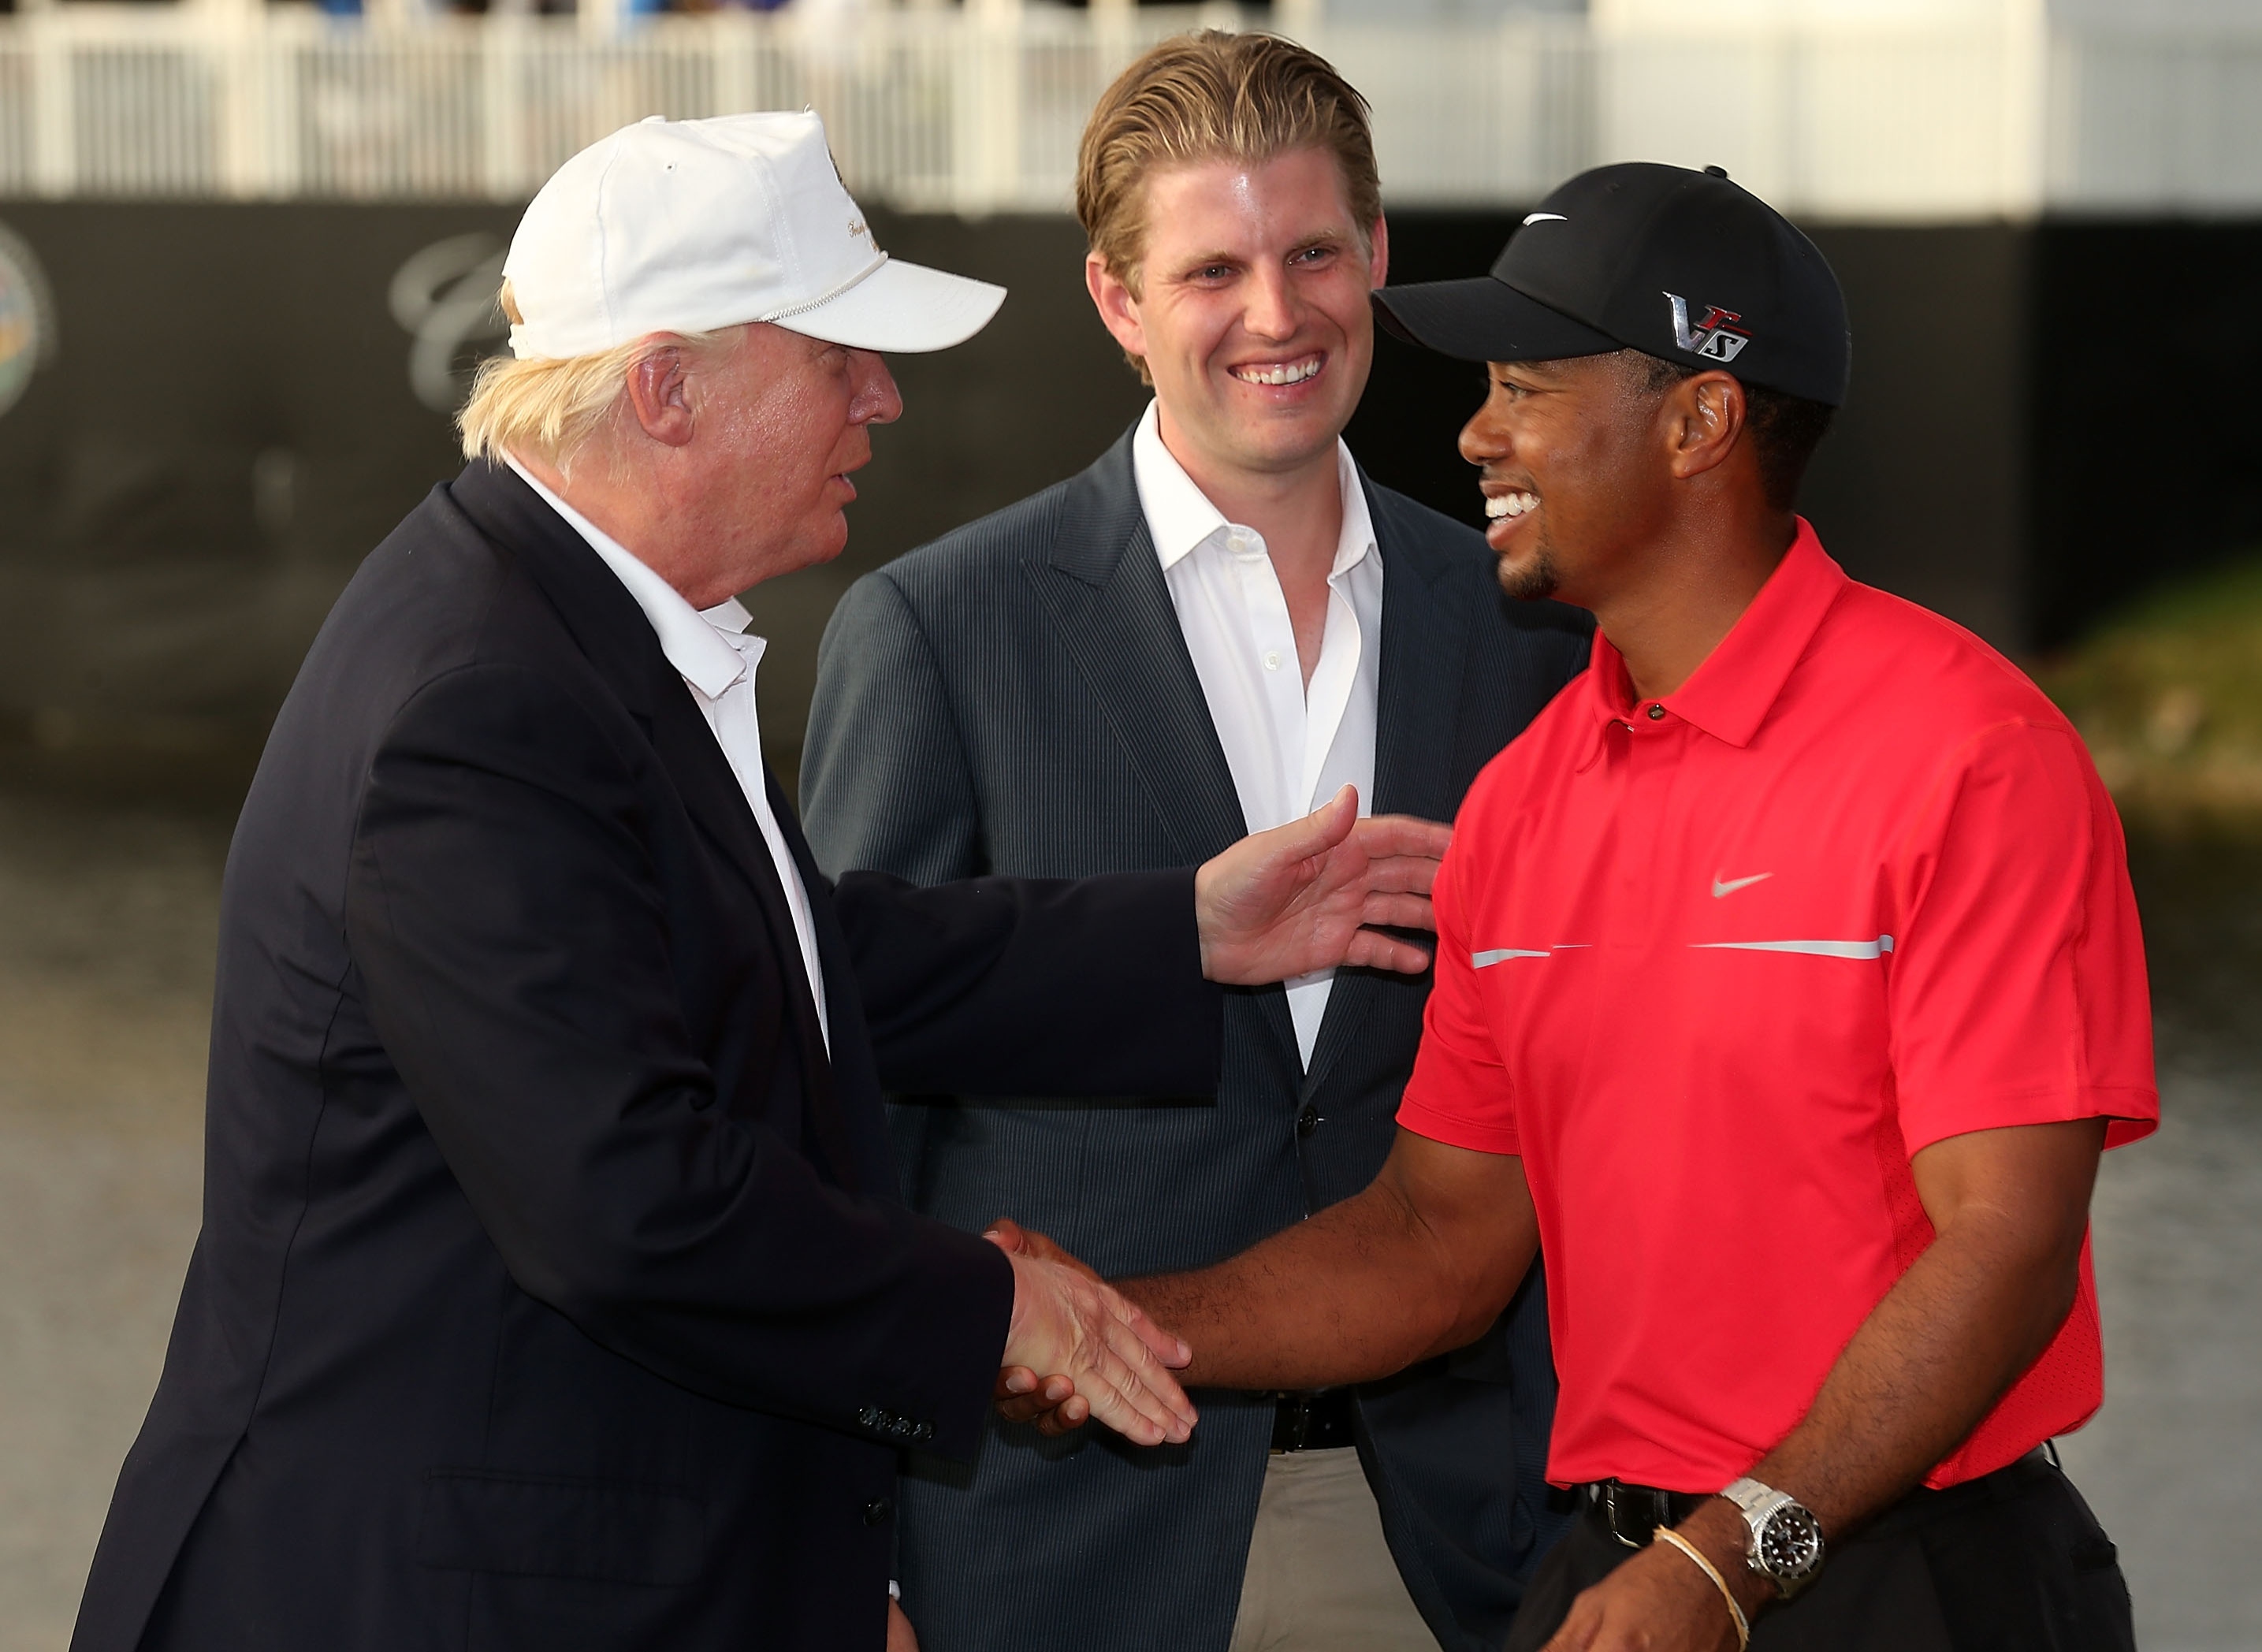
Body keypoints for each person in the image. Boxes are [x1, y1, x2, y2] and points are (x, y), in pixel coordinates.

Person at [69, 111, 1453, 1652]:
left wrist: (1181, 933)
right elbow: (628, 1200)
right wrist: (989, 1308)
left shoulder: (558, 626)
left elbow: (789, 959)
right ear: (665, 388)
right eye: (835, 356)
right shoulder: (482, 701)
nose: (884, 396)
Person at [999, 162, 2155, 1652]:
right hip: (1619, 1575)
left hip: (1897, 1579)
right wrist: (1111, 1320)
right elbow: (1436, 1237)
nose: (1477, 435)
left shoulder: (1970, 758)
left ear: (1699, 421)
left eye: (1527, 389)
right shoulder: (1527, 798)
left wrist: (1738, 1560)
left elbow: (2007, 1250)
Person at [799, 32, 1588, 1652]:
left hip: (1453, 1543)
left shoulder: (1526, 632)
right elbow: (839, 1109)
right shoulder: (941, 631)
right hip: (1052, 1554)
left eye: (1312, 252)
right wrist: (849, 1556)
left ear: (1377, 253)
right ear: (1119, 303)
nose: (1277, 314)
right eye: (1213, 267)